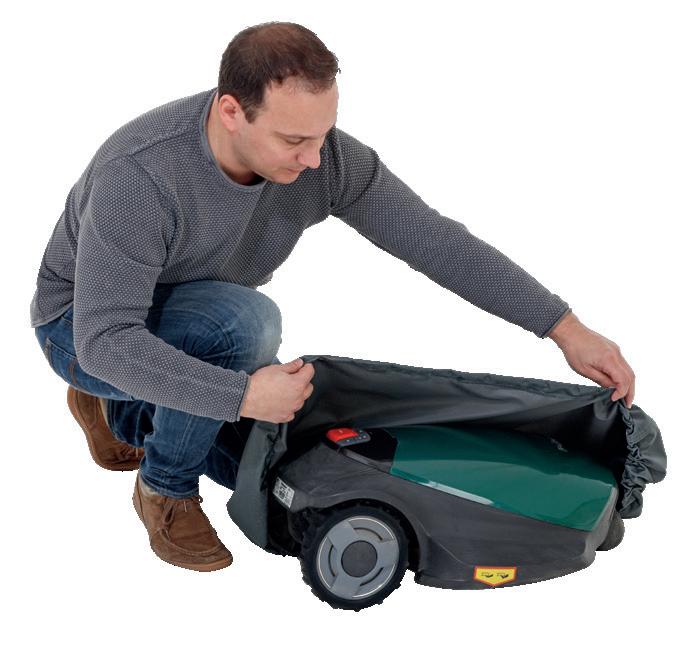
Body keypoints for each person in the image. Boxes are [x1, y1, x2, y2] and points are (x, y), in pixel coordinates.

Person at [29, 21, 635, 573]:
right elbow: (106, 342)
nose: (315, 158)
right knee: (244, 325)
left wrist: (564, 327)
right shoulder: (140, 174)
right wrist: (242, 395)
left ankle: (121, 411)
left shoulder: (325, 159)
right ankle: (165, 488)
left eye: (322, 134)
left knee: (271, 448)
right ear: (232, 111)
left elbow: (435, 241)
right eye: (294, 139)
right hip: (83, 326)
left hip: (192, 318)